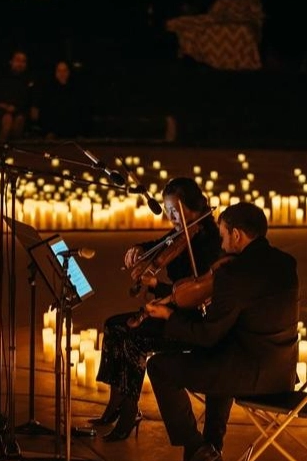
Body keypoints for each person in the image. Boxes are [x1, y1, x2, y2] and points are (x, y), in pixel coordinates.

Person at [146, 201, 299, 461]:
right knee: (220, 359)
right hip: (282, 374)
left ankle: (198, 447)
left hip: (252, 377)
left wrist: (169, 316)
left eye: (224, 234)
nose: (222, 241)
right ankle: (213, 447)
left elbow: (206, 335)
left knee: (159, 366)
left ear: (237, 235)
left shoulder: (234, 273)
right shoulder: (286, 264)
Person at [90, 177, 222, 442]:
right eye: (168, 209)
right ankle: (116, 403)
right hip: (173, 309)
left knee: (133, 339)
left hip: (190, 321)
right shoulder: (182, 232)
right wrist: (139, 248)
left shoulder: (208, 242)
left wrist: (155, 286)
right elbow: (160, 244)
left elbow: (191, 295)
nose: (170, 215)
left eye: (175, 210)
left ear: (192, 207)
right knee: (114, 326)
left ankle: (129, 413)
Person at [0, 49, 38, 142]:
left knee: (19, 120)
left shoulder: (29, 80)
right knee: (7, 120)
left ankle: (15, 151)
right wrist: (5, 107)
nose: (20, 64)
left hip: (21, 112)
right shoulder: (1, 78)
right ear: (11, 62)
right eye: (18, 60)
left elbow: (31, 100)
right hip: (1, 112)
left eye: (23, 61)